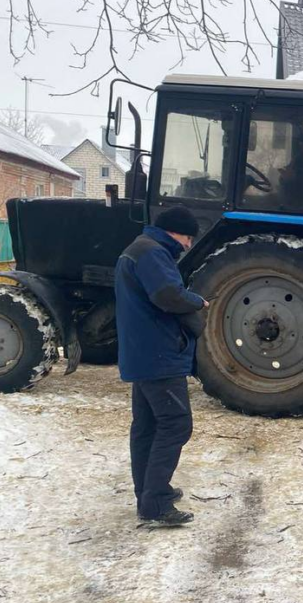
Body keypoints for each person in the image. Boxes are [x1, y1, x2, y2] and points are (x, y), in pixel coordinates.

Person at [115, 206, 208, 527]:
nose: (187, 245)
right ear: (175, 231)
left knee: (147, 426)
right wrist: (197, 301)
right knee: (176, 424)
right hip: (159, 356)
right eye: (187, 238)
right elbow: (168, 296)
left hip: (143, 353)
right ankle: (155, 503)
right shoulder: (153, 254)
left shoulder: (137, 249)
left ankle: (148, 491)